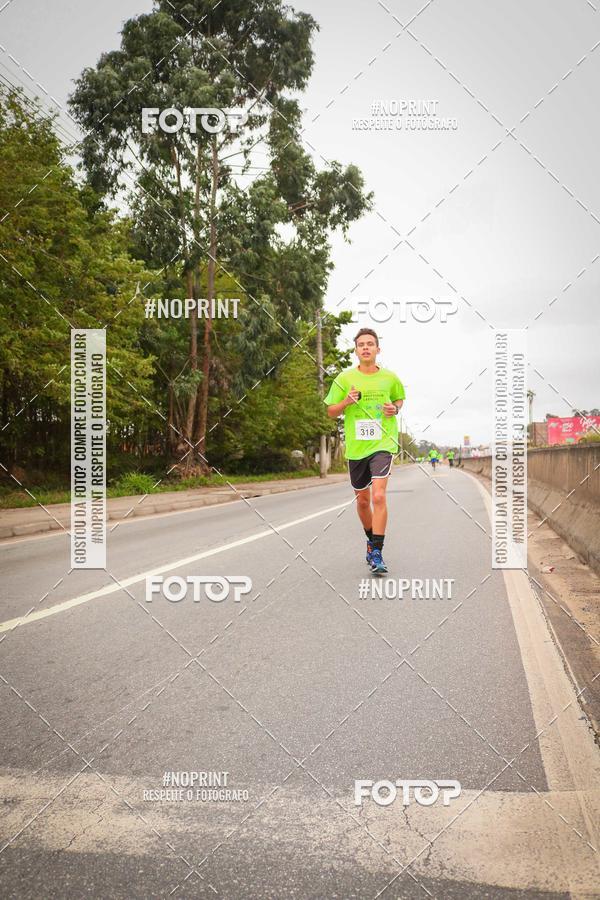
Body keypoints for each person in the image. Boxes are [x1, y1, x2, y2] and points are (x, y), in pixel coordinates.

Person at [324, 328, 405, 575]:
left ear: (378, 349)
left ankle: (378, 551)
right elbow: (330, 411)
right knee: (363, 500)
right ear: (356, 350)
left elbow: (399, 399)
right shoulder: (344, 378)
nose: (366, 348)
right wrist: (346, 402)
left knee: (379, 496)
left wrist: (395, 409)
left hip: (383, 443)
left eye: (370, 344)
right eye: (361, 345)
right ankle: (371, 541)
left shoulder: (390, 378)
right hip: (357, 448)